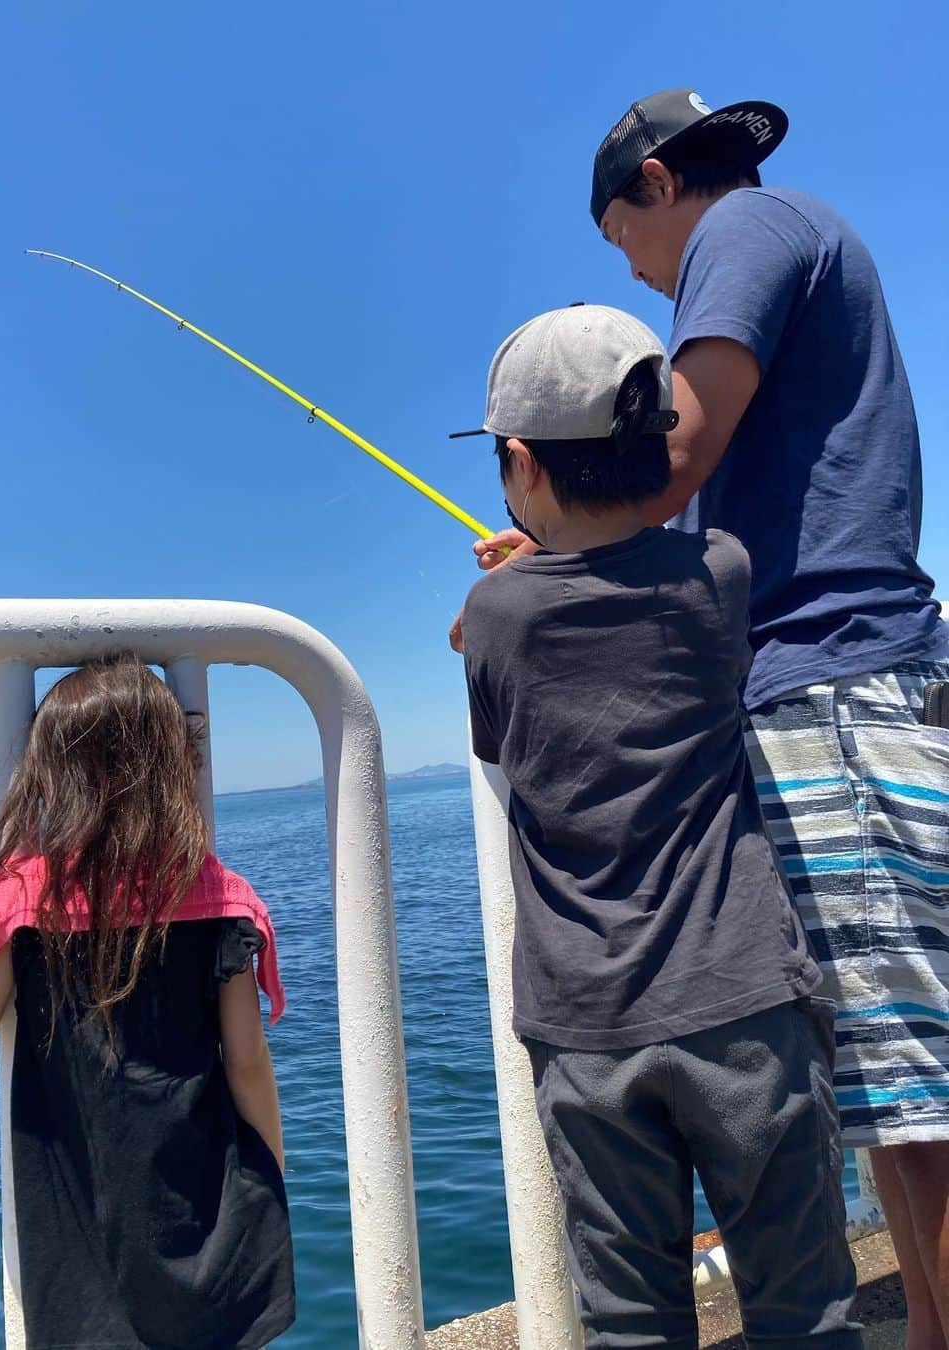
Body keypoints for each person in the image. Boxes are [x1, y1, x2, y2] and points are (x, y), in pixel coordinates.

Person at [463, 88, 949, 1346]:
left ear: (662, 181)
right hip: (826, 679)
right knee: (891, 1099)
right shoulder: (794, 235)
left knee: (920, 1103)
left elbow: (671, 457)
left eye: (617, 225)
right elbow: (675, 508)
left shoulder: (746, 231)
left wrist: (551, 568)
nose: (621, 256)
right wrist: (567, 548)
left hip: (829, 687)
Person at [455, 302, 861, 1350]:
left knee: (631, 1319)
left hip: (586, 1022)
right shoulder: (715, 570)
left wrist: (509, 585)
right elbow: (644, 580)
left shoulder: (495, 617)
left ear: (519, 463)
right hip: (747, 1001)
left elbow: (503, 738)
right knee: (804, 1307)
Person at [0, 653, 295, 1350]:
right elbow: (247, 1062)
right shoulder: (215, 893)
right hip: (208, 1212)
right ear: (172, 764)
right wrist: (272, 1173)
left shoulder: (23, 900)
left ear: (50, 773)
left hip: (79, 1234)